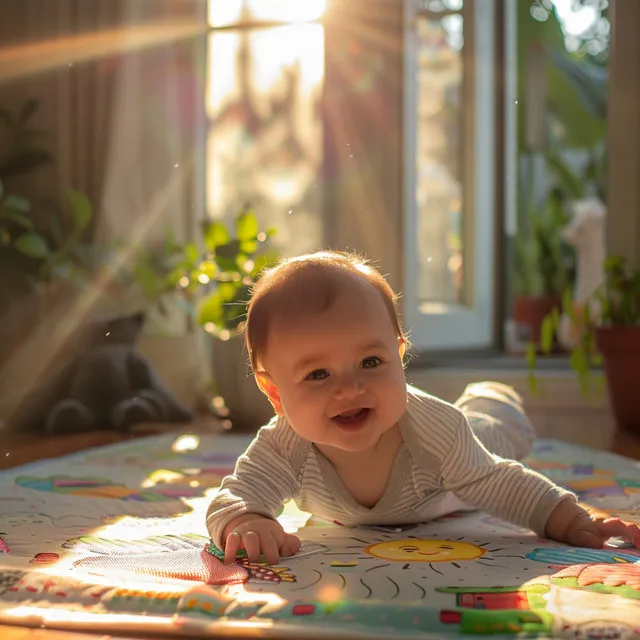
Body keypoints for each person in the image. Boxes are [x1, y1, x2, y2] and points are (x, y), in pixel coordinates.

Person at [206, 251, 640, 565]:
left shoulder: (436, 429)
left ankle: (492, 396)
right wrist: (245, 520)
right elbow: (234, 496)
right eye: (318, 375)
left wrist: (571, 519)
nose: (350, 388)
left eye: (371, 362)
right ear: (276, 393)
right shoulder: (284, 445)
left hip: (465, 468)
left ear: (399, 355)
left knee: (494, 433)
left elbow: (498, 483)